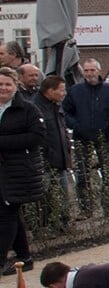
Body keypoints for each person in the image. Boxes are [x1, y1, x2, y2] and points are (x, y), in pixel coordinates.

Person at [0, 68, 47, 269]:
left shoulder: (28, 109)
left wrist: (3, 142)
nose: (3, 88)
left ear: (15, 85)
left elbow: (37, 137)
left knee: (6, 213)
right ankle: (25, 257)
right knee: (10, 212)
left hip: (17, 171)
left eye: (7, 84)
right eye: (0, 84)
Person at [64, 58, 109, 211]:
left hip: (105, 137)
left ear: (99, 71)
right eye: (86, 70)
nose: (89, 73)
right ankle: (85, 208)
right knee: (83, 174)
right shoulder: (75, 91)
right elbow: (66, 111)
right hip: (82, 137)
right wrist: (75, 125)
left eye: (92, 70)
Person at [31, 76, 72, 231]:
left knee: (62, 194)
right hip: (46, 161)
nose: (64, 93)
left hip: (60, 159)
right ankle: (43, 227)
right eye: (61, 90)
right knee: (44, 196)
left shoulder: (56, 106)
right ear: (50, 91)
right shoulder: (35, 107)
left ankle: (63, 224)